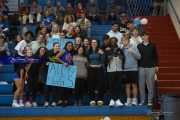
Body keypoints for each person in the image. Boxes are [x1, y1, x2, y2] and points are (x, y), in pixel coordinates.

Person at [137, 31, 159, 106]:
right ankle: (142, 101)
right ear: (142, 37)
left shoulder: (153, 45)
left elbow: (155, 55)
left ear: (148, 36)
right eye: (143, 36)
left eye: (146, 35)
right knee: (141, 85)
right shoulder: (139, 46)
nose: (145, 37)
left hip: (151, 67)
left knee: (150, 85)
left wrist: (157, 65)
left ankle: (149, 101)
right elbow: (137, 57)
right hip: (141, 67)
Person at [105, 37, 124, 107]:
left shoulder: (120, 50)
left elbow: (124, 60)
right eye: (112, 41)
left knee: (118, 85)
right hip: (110, 70)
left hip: (119, 70)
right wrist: (108, 59)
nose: (113, 42)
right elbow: (104, 61)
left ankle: (118, 99)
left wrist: (122, 58)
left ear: (117, 41)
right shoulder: (108, 50)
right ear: (110, 42)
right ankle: (112, 100)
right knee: (111, 85)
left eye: (114, 41)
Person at [121, 36, 141, 106]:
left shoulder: (134, 47)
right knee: (127, 86)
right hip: (125, 69)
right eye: (123, 40)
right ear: (122, 42)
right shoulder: (121, 49)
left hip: (133, 69)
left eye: (126, 40)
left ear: (128, 41)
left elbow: (139, 57)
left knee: (134, 85)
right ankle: (128, 100)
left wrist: (132, 51)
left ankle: (135, 100)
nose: (125, 41)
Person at [55, 41, 74, 107]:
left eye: (71, 46)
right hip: (63, 70)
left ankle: (65, 100)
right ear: (66, 45)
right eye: (68, 45)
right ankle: (60, 100)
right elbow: (56, 57)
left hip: (69, 70)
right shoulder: (63, 51)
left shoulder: (71, 53)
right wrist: (63, 63)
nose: (70, 47)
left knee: (67, 86)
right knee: (61, 85)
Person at [87, 39, 105, 106]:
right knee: (91, 85)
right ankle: (92, 100)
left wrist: (102, 54)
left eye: (95, 42)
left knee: (100, 85)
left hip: (99, 69)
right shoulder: (89, 51)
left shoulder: (100, 50)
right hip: (91, 69)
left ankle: (100, 100)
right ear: (91, 43)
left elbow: (103, 61)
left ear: (97, 43)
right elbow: (88, 61)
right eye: (92, 42)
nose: (94, 43)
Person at [44, 42, 60, 107]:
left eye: (58, 46)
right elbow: (43, 60)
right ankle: (47, 101)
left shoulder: (60, 54)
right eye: (56, 46)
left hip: (56, 73)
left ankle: (54, 101)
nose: (57, 47)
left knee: (54, 88)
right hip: (48, 72)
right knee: (47, 87)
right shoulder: (48, 53)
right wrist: (46, 63)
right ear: (53, 47)